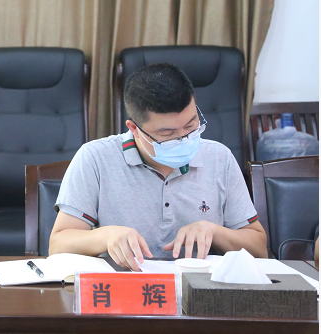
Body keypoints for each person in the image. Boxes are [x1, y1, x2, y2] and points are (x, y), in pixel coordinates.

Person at [49, 63, 267, 271]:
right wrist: (106, 237)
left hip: (201, 288)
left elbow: (259, 249)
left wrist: (213, 232)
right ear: (134, 128)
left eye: (191, 126)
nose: (184, 139)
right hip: (124, 286)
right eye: (168, 134)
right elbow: (58, 245)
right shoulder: (95, 158)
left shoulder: (219, 158)